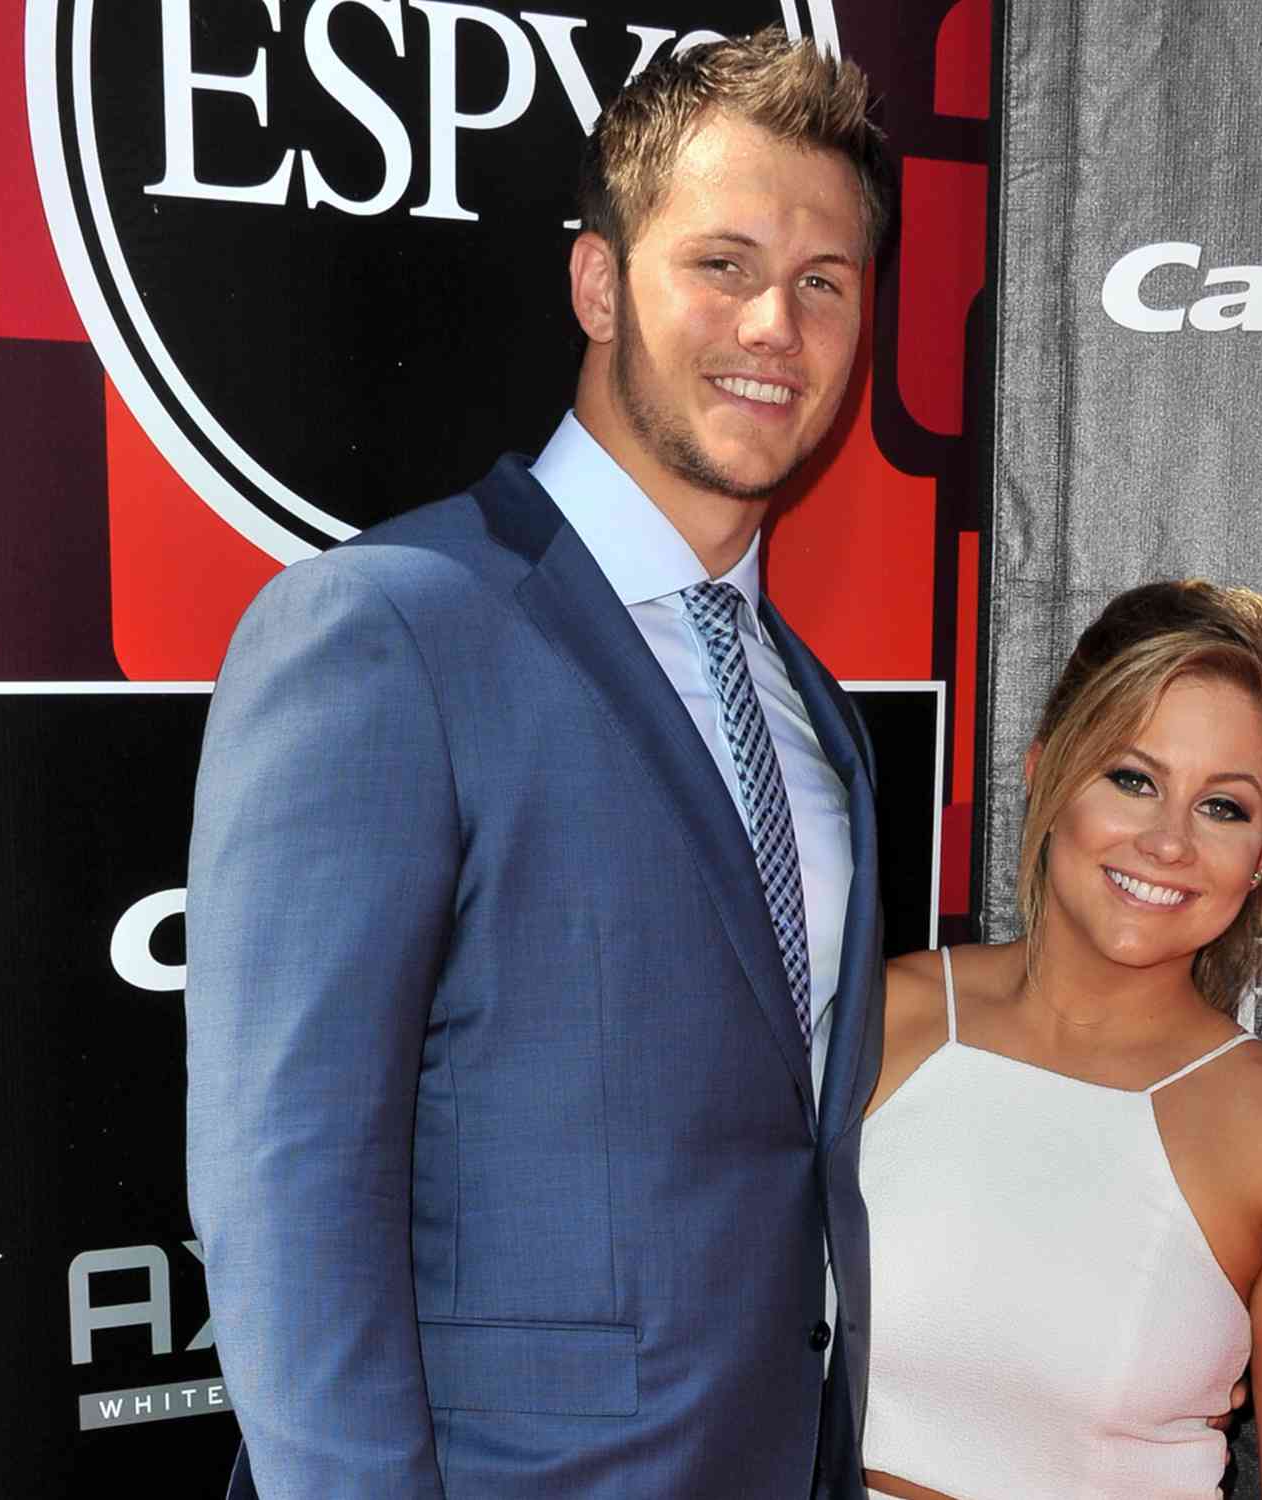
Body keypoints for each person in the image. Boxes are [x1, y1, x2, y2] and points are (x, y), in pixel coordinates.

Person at [184, 31, 891, 1500]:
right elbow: (290, 1189)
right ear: (596, 283)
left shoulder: (813, 709)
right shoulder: (387, 627)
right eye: (723, 263)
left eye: (825, 282)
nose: (778, 322)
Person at [859, 580, 1262, 1500]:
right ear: (1045, 772)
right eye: (1133, 779)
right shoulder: (877, 1021)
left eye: (1223, 807)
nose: (1168, 842)